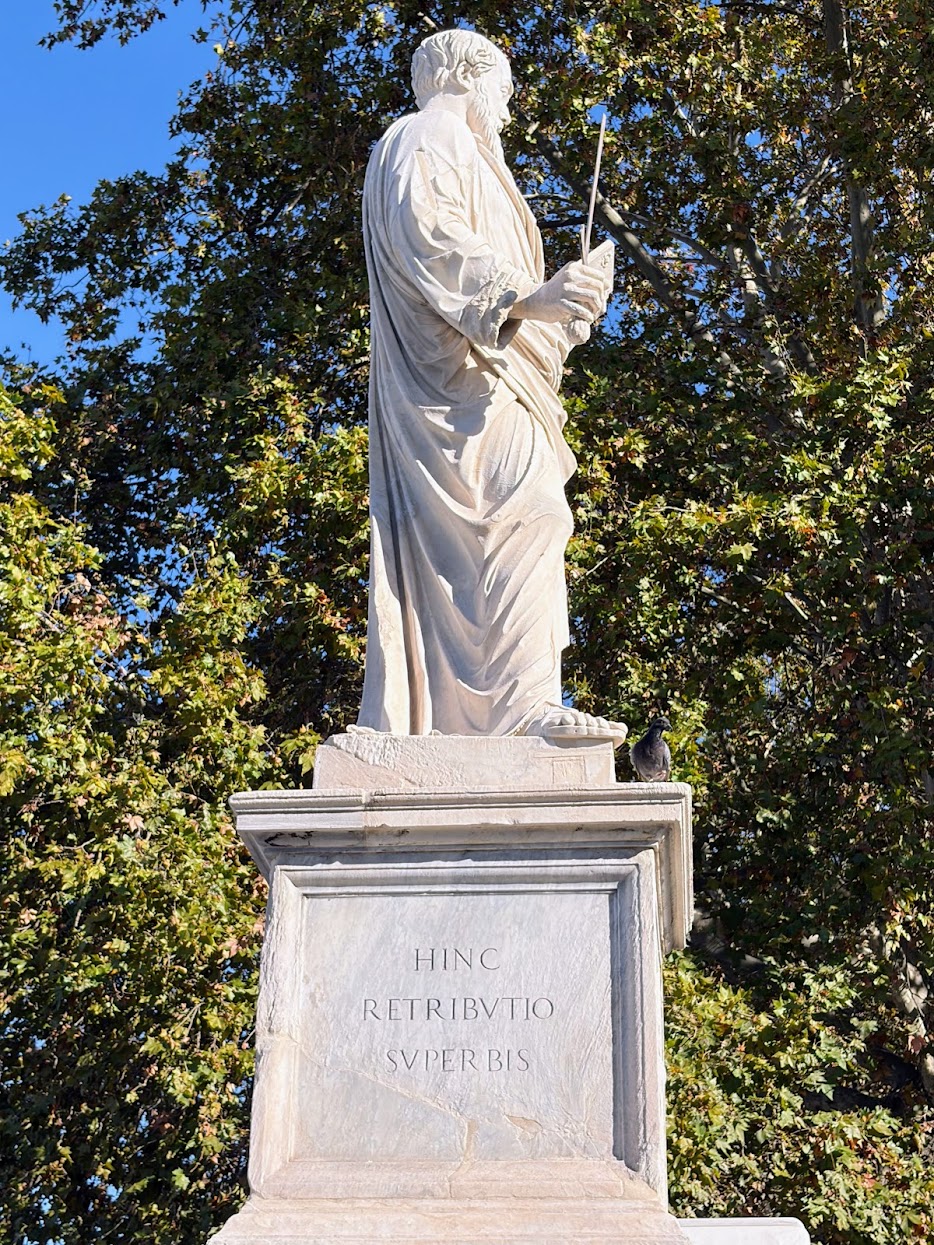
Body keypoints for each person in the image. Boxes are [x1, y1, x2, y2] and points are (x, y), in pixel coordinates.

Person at [356, 28, 625, 745]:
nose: (505, 115)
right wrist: (534, 298)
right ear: (469, 77)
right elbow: (434, 240)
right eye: (502, 95)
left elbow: (521, 313)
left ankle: (522, 701)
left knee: (533, 519)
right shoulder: (422, 135)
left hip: (500, 384)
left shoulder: (480, 163)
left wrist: (566, 314)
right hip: (454, 398)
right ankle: (517, 712)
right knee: (528, 510)